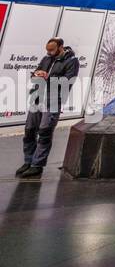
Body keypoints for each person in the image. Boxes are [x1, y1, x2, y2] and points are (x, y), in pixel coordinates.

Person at [16, 38, 79, 179]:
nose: (48, 52)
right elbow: (36, 72)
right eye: (47, 50)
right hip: (37, 98)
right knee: (29, 131)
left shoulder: (71, 61)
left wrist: (47, 77)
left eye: (52, 50)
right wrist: (36, 75)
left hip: (53, 102)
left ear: (61, 47)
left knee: (44, 133)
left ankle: (37, 165)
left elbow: (67, 82)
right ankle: (28, 161)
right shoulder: (46, 58)